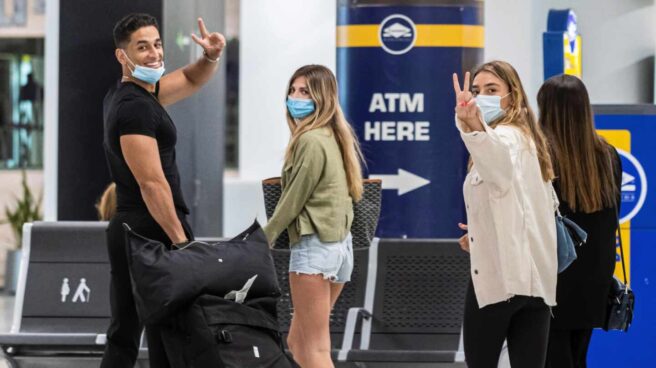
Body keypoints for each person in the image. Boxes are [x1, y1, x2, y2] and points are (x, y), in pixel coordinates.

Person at [101, 13, 225, 367]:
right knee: (169, 333)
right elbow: (151, 183)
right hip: (150, 230)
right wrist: (181, 242)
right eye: (142, 47)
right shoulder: (134, 109)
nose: (154, 53)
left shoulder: (131, 94)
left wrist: (211, 56)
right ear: (121, 55)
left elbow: (188, 78)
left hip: (132, 227)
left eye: (156, 44)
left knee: (126, 332)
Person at [452, 60, 557, 367]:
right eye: (477, 90)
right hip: (536, 283)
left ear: (513, 95)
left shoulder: (506, 138)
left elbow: (497, 163)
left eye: (492, 89)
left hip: (501, 281)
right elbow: (517, 205)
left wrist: (472, 126)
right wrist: (478, 232)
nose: (481, 96)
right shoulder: (530, 140)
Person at [263, 64, 364, 368]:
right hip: (339, 250)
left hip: (314, 249)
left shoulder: (309, 140)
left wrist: (260, 240)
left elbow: (293, 199)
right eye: (293, 91)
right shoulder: (334, 136)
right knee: (298, 342)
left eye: (305, 91)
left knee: (317, 349)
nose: (295, 97)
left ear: (323, 97)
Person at [538, 74, 622, 368]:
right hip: (595, 276)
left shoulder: (541, 156)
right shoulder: (607, 155)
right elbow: (612, 215)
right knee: (578, 355)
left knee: (552, 356)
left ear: (546, 108)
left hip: (554, 275)